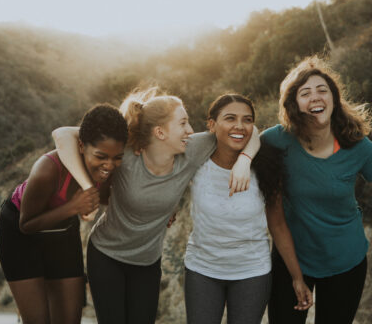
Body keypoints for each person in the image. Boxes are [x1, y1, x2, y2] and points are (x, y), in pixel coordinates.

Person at [52, 87, 260, 324]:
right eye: (183, 124)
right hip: (106, 255)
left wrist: (244, 160)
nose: (190, 130)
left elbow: (247, 132)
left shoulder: (192, 150)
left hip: (147, 263)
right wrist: (87, 186)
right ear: (160, 132)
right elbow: (62, 134)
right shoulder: (126, 153)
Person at [183, 94, 313, 324]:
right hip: (202, 268)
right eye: (230, 118)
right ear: (212, 125)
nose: (239, 126)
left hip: (251, 271)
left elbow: (278, 225)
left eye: (247, 120)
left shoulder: (266, 168)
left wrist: (297, 277)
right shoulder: (196, 159)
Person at [263, 57, 372, 324]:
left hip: (346, 259)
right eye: (305, 92)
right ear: (294, 104)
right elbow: (244, 139)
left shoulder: (358, 145)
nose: (315, 97)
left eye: (322, 90)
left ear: (334, 99)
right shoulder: (277, 140)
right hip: (291, 258)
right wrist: (243, 162)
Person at [0, 104, 128, 324]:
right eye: (101, 156)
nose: (109, 165)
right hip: (20, 234)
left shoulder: (109, 170)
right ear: (81, 146)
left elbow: (113, 197)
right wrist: (73, 208)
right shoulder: (47, 169)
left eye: (117, 158)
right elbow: (26, 225)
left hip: (62, 232)